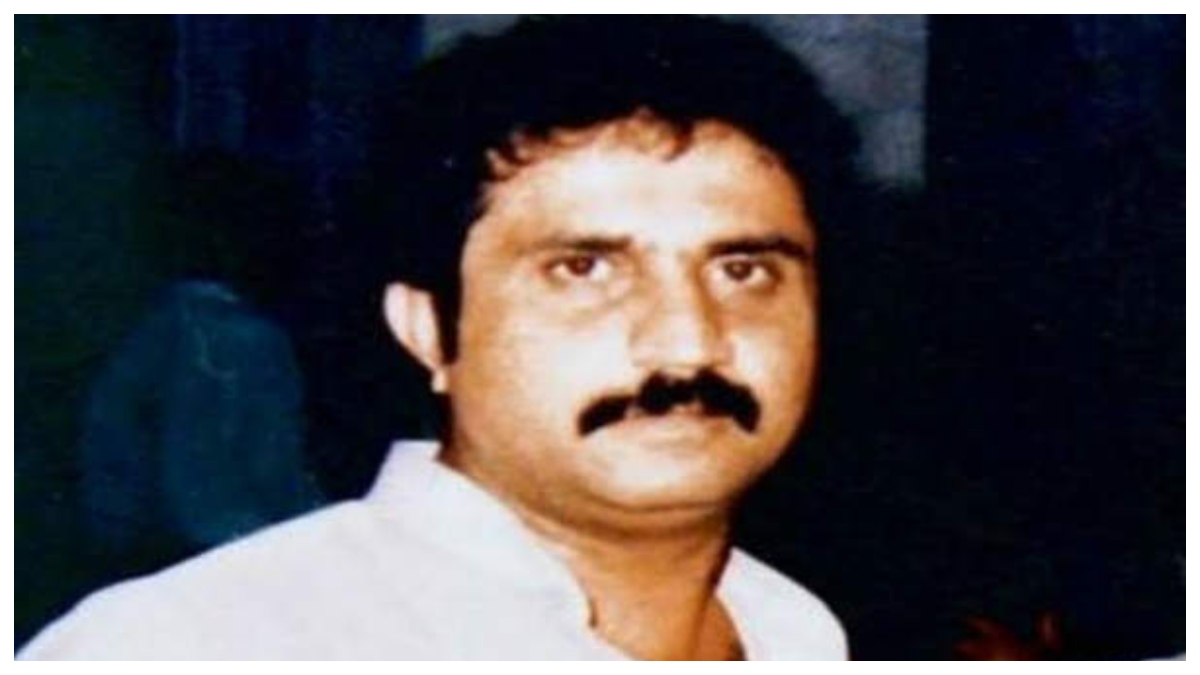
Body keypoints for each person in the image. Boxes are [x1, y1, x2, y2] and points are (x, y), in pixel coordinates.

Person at [21, 16, 857, 659]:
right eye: (583, 269)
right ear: (427, 328)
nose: (687, 342)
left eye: (744, 269)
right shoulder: (200, 643)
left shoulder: (791, 630)